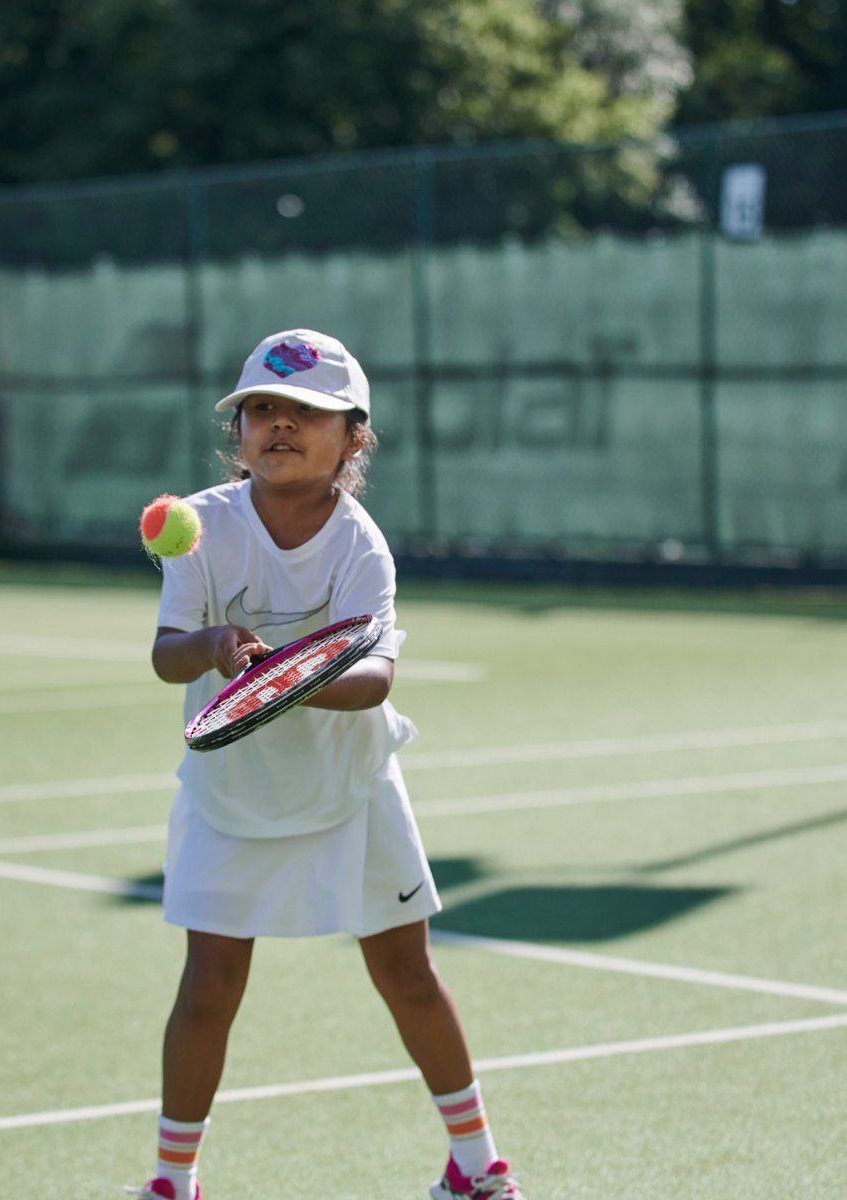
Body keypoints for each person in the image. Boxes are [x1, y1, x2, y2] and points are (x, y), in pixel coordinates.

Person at [126, 329, 525, 1200]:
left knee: (409, 974)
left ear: (353, 439)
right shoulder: (201, 527)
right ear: (240, 431)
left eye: (307, 411)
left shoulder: (361, 546)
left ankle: (475, 1165)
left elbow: (376, 679)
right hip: (230, 790)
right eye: (261, 408)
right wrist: (211, 643)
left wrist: (282, 680)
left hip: (352, 790)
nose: (279, 424)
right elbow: (166, 655)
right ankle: (172, 1182)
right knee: (208, 986)